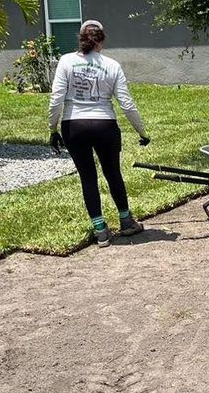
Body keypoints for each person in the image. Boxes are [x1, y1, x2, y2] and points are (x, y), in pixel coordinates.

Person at [49, 20, 151, 247]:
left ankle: (100, 230)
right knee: (113, 172)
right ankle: (126, 222)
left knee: (88, 177)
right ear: (101, 41)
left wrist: (53, 129)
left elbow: (56, 99)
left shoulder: (66, 61)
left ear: (81, 39)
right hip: (105, 125)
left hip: (73, 126)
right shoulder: (112, 65)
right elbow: (126, 103)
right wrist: (141, 131)